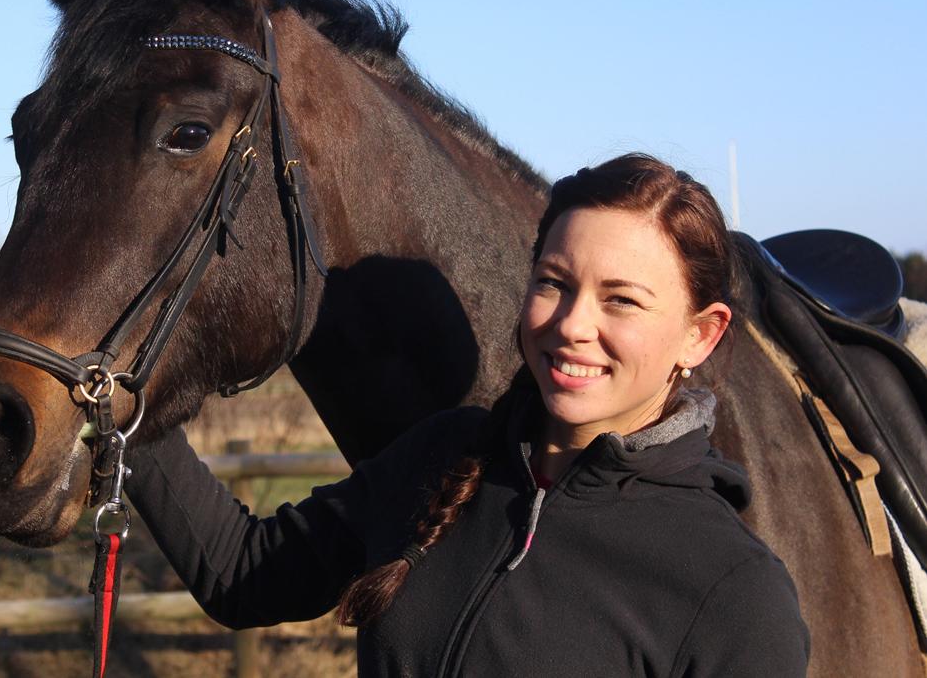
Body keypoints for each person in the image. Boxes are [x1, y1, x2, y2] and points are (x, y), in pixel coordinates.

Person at [124, 153, 810, 676]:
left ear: (701, 333)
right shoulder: (441, 457)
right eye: (554, 284)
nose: (572, 324)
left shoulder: (734, 593)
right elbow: (242, 573)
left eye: (621, 300)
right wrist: (120, 395)